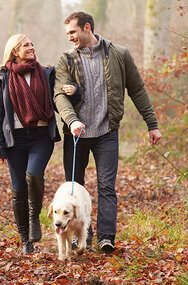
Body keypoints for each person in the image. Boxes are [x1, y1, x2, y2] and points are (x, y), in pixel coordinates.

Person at [53, 11, 162, 253]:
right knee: (74, 188)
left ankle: (106, 238)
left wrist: (152, 124)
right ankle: (78, 237)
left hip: (106, 133)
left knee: (106, 187)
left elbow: (137, 90)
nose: (70, 37)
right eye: (67, 33)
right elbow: (59, 95)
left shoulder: (119, 54)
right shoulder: (66, 60)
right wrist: (71, 121)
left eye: (73, 32)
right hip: (76, 135)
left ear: (87, 28)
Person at [0, 34, 61, 254]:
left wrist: (73, 92)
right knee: (18, 190)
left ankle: (34, 217)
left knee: (34, 175)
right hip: (15, 141)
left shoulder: (46, 73)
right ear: (14, 51)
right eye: (26, 45)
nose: (32, 47)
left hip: (41, 136)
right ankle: (25, 241)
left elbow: (61, 99)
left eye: (32, 44)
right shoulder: (4, 77)